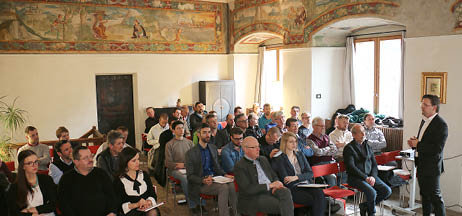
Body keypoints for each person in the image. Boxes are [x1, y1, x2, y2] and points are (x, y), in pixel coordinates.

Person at [407, 94, 448, 216]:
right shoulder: (424, 121)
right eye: (422, 103)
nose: (422, 107)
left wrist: (418, 144)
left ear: (434, 107)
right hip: (422, 165)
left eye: (425, 104)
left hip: (432, 167)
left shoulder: (441, 125)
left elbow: (437, 149)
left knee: (435, 198)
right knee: (425, 197)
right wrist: (415, 144)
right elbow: (426, 143)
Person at [234, 136, 294, 216]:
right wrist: (270, 185)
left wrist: (277, 183)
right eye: (254, 147)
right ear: (245, 149)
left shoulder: (263, 159)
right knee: (283, 205)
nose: (258, 149)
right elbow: (248, 189)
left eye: (258, 146)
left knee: (286, 192)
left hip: (272, 190)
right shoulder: (240, 166)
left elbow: (273, 175)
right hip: (254, 197)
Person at [185, 123, 237, 216]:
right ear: (198, 134)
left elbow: (217, 167)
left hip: (215, 179)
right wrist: (203, 180)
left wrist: (225, 175)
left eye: (209, 132)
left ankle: (237, 212)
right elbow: (190, 176)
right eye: (204, 132)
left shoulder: (213, 148)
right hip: (201, 183)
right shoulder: (190, 153)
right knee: (224, 188)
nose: (208, 135)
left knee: (232, 184)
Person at [272, 132, 326, 216]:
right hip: (293, 188)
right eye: (291, 142)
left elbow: (310, 173)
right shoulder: (279, 158)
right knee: (317, 199)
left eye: (295, 141)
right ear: (285, 143)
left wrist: (296, 177)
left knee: (319, 193)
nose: (294, 144)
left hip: (306, 185)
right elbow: (286, 179)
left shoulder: (300, 154)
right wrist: (298, 178)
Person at [344, 124, 391, 216]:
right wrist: (366, 178)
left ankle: (365, 206)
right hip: (356, 178)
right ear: (353, 135)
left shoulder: (367, 146)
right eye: (360, 133)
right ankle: (371, 213)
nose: (363, 134)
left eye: (364, 132)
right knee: (372, 193)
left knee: (387, 191)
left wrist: (373, 176)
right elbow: (351, 167)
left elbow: (374, 164)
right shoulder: (349, 148)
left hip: (370, 176)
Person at [58, 146, 117, 216]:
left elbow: (111, 196)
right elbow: (63, 204)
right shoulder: (66, 178)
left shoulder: (101, 173)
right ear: (76, 162)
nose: (90, 160)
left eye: (91, 156)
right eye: (85, 158)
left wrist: (112, 212)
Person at [7, 150, 57, 216]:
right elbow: (13, 212)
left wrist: (36, 209)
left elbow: (53, 204)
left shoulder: (46, 179)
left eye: (36, 162)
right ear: (22, 166)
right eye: (30, 163)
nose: (34, 165)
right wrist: (31, 215)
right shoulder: (15, 187)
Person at [113, 147, 160, 216]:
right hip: (131, 212)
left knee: (153, 212)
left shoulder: (144, 175)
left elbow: (152, 194)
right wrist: (137, 204)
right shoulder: (118, 181)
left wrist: (148, 202)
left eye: (138, 159)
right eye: (134, 161)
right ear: (125, 162)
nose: (138, 162)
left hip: (148, 208)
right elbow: (118, 206)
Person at [165, 120, 195, 209]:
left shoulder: (189, 143)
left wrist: (186, 165)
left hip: (188, 168)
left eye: (182, 128)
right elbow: (168, 163)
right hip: (174, 170)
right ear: (173, 131)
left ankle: (200, 202)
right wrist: (179, 165)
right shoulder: (169, 144)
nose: (181, 130)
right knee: (185, 178)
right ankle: (192, 205)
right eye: (178, 128)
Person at [306, 117, 337, 187]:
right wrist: (329, 148)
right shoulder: (310, 139)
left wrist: (324, 150)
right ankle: (332, 195)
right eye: (321, 126)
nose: (323, 128)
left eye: (324, 126)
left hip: (330, 162)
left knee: (343, 172)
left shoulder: (326, 137)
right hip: (319, 164)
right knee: (332, 177)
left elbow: (335, 149)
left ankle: (341, 193)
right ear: (314, 126)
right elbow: (317, 152)